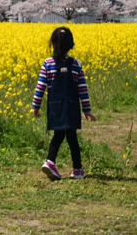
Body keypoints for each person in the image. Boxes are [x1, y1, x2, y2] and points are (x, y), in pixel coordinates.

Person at [32, 27, 96, 181]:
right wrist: (86, 109)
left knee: (58, 134)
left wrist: (36, 106)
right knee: (72, 137)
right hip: (73, 106)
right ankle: (77, 169)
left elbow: (40, 87)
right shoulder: (76, 64)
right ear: (71, 45)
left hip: (55, 106)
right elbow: (82, 89)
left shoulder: (47, 63)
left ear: (52, 44)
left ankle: (50, 161)